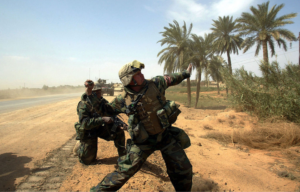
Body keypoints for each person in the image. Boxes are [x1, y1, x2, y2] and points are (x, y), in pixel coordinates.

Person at [90, 60, 193, 191]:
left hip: (165, 136)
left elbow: (172, 78)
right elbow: (104, 110)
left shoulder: (155, 83)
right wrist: (90, 96)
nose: (142, 75)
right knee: (123, 172)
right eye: (137, 74)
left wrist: (186, 73)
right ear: (129, 80)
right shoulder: (122, 100)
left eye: (140, 72)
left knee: (183, 168)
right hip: (143, 142)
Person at [73, 80, 127, 165]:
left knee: (118, 131)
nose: (99, 94)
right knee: (87, 160)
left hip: (99, 128)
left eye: (100, 92)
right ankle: (80, 146)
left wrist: (120, 124)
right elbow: (85, 124)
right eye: (97, 92)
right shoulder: (84, 104)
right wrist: (102, 119)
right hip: (89, 131)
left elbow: (110, 113)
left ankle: (123, 156)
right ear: (92, 93)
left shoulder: (102, 101)